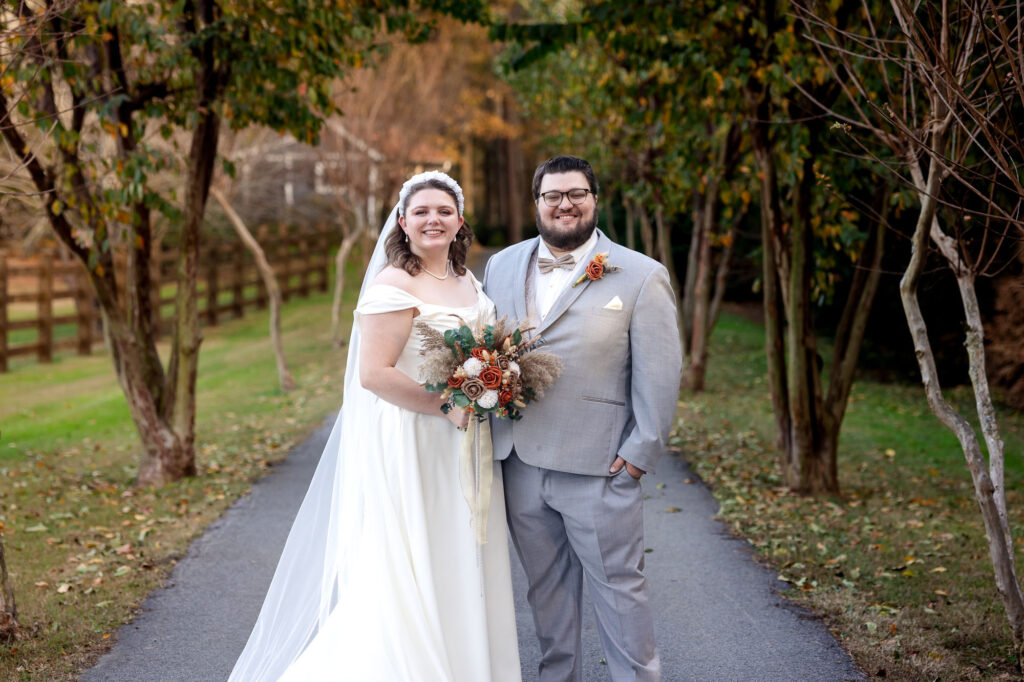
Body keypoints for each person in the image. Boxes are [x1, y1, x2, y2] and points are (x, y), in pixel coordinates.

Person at [230, 171, 521, 682]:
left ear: (459, 222)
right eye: (422, 211)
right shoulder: (393, 284)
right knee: (413, 556)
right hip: (415, 438)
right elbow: (374, 374)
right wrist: (445, 406)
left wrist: (493, 386)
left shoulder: (465, 279)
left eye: (444, 211)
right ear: (403, 222)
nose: (434, 219)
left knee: (458, 553)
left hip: (464, 437)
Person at [482, 155, 682, 682]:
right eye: (552, 195)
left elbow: (660, 374)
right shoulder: (501, 266)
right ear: (538, 203)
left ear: (595, 199)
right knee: (545, 594)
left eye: (576, 194)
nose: (564, 204)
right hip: (518, 462)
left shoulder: (641, 275)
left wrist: (638, 457)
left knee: (620, 593)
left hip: (600, 466)